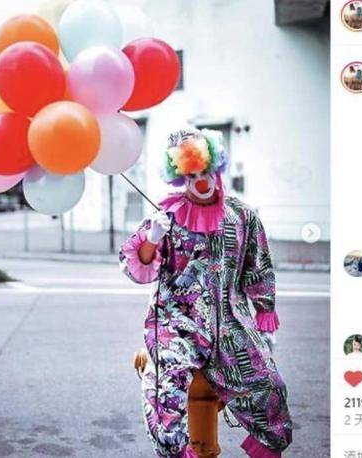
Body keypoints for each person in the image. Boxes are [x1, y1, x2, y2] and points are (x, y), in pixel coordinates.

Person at [119, 129, 292, 458]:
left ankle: (269, 444)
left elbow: (257, 265)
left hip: (231, 323)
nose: (201, 181)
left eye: (205, 173)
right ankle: (177, 451)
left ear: (217, 170)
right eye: (192, 176)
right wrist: (152, 239)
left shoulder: (242, 216)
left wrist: (264, 317)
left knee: (269, 385)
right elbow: (135, 268)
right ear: (180, 178)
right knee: (165, 392)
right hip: (176, 324)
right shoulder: (166, 216)